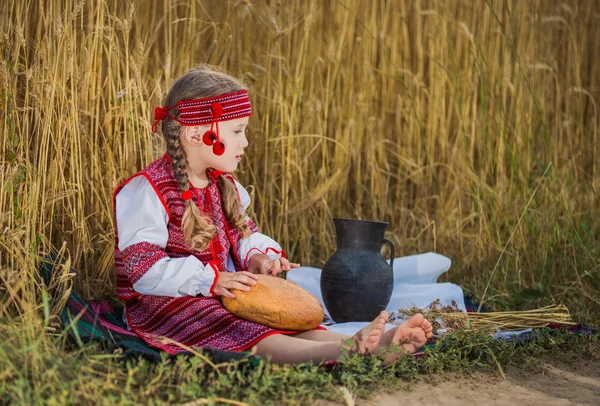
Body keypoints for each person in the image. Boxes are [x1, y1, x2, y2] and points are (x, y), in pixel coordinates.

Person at [113, 65, 433, 365]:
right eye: (237, 131)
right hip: (167, 304)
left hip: (220, 292)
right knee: (229, 322)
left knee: (269, 317)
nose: (246, 142)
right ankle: (347, 351)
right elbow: (144, 270)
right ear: (197, 135)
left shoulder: (224, 186)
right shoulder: (147, 191)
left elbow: (244, 233)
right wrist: (211, 280)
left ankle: (367, 344)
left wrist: (257, 257)